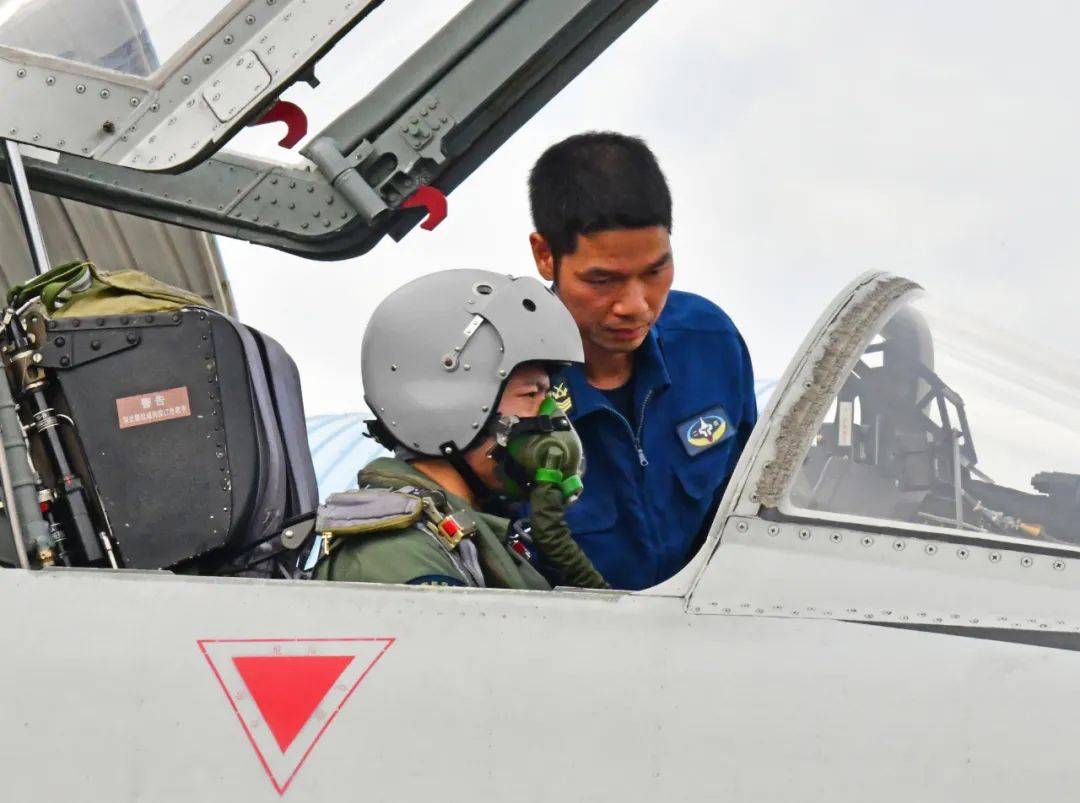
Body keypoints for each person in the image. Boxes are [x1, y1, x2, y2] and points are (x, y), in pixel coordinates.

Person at [527, 132, 757, 591]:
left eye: (655, 271)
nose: (636, 306)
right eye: (603, 279)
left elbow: (750, 505)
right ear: (545, 255)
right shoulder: (502, 388)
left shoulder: (711, 344)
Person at [313, 269, 608, 590]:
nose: (552, 415)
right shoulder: (396, 558)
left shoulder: (473, 537)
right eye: (531, 394)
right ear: (449, 403)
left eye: (549, 394)